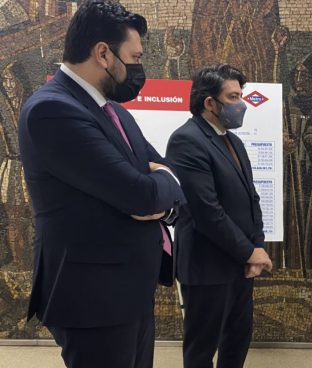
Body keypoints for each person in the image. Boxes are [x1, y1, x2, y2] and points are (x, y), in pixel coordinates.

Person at [17, 1, 185, 367]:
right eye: (135, 57)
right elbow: (142, 194)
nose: (140, 68)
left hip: (129, 290)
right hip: (92, 297)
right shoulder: (53, 111)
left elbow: (166, 176)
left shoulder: (114, 112)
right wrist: (158, 184)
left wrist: (164, 183)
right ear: (104, 54)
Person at [166, 64, 273, 368]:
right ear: (209, 102)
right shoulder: (186, 140)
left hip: (240, 264)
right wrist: (250, 251)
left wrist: (256, 247)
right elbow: (206, 211)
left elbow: (251, 199)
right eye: (234, 96)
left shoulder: (232, 140)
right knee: (202, 348)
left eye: (241, 96)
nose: (241, 104)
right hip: (207, 265)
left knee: (237, 340)